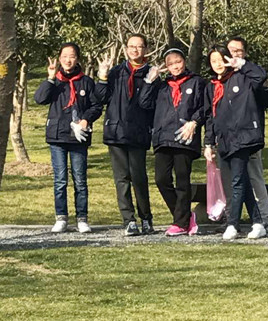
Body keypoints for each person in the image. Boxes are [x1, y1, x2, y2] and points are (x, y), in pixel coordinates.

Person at [34, 42, 102, 233]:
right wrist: (50, 78)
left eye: (71, 56)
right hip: (57, 136)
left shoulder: (86, 82)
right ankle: (61, 217)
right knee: (60, 180)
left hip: (78, 137)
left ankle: (82, 218)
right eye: (64, 56)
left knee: (80, 180)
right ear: (59, 59)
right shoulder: (55, 81)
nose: (68, 60)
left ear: (77, 59)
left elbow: (96, 106)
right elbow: (40, 99)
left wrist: (86, 120)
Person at [139, 48, 205, 236]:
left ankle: (180, 223)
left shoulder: (196, 82)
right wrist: (149, 81)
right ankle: (185, 217)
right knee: (161, 179)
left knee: (182, 180)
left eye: (178, 62)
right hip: (163, 137)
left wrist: (194, 122)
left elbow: (204, 107)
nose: (175, 66)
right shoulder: (161, 86)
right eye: (170, 64)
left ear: (184, 61)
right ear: (166, 67)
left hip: (184, 137)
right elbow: (144, 103)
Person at [204, 44, 267, 240]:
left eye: (220, 59)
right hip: (224, 140)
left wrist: (241, 64)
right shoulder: (212, 86)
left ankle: (233, 224)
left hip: (243, 137)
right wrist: (208, 143)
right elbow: (210, 116)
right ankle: (258, 222)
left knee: (237, 181)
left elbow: (261, 77)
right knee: (242, 181)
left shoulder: (242, 77)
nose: (218, 64)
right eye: (213, 61)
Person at [96, 34, 154, 236]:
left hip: (138, 132)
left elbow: (147, 104)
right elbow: (101, 98)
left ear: (145, 49)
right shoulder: (117, 72)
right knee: (122, 179)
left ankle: (146, 217)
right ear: (126, 49)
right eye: (131, 46)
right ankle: (128, 220)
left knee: (139, 178)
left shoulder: (152, 74)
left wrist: (149, 82)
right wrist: (103, 77)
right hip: (116, 132)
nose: (135, 50)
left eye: (139, 46)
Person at [225, 37, 268, 234]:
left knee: (254, 177)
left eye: (238, 50)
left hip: (250, 136)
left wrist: (244, 66)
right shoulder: (223, 76)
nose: (234, 54)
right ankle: (232, 218)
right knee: (233, 179)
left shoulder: (252, 74)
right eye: (231, 50)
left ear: (245, 53)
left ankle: (263, 217)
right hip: (228, 138)